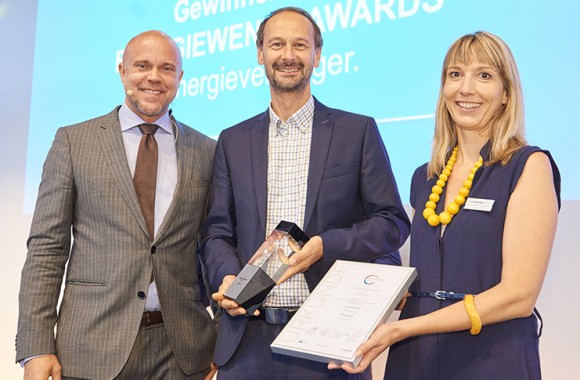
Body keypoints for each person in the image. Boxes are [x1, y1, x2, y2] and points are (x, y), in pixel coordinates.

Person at [333, 31, 561, 379]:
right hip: (416, 358)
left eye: (484, 75)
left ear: (506, 94)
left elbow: (518, 296)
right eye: (455, 74)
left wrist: (401, 330)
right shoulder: (423, 177)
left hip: (491, 358)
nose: (465, 88)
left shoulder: (528, 166)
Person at [200, 6, 410, 380]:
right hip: (247, 341)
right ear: (260, 53)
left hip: (330, 342)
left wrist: (325, 245)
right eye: (276, 44)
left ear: (317, 55)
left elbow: (392, 223)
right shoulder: (232, 140)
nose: (288, 56)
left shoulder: (356, 132)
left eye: (300, 45)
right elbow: (217, 231)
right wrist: (228, 278)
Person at [16, 30, 217, 379]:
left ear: (180, 78)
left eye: (167, 68)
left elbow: (213, 247)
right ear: (122, 70)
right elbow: (47, 249)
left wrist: (223, 340)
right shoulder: (73, 142)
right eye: (142, 66)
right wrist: (36, 347)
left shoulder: (207, 151)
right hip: (91, 348)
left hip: (183, 353)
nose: (154, 77)